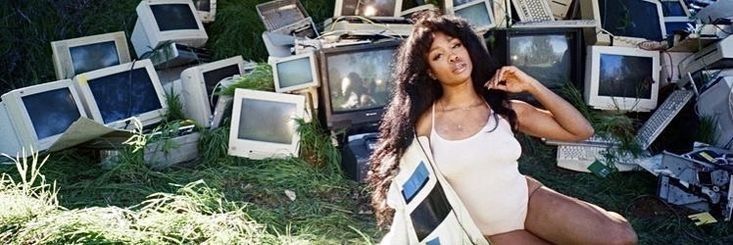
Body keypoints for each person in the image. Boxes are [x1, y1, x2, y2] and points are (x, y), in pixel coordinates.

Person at [368, 11, 638, 244]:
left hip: (527, 201)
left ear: (468, 48)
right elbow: (406, 187)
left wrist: (531, 85)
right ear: (430, 71)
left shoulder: (503, 109)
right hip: (489, 230)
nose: (452, 57)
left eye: (456, 46)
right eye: (438, 55)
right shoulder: (426, 123)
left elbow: (581, 131)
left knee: (622, 237)